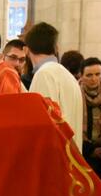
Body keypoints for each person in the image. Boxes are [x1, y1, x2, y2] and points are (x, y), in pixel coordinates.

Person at [25, 22, 85, 150]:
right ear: (56, 48)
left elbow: (45, 124)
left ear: (27, 49)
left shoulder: (44, 74)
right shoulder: (67, 75)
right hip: (69, 159)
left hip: (55, 159)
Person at [79, 57, 101, 176]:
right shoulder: (75, 93)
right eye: (89, 75)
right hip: (82, 150)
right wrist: (89, 150)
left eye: (97, 74)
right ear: (81, 76)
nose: (94, 79)